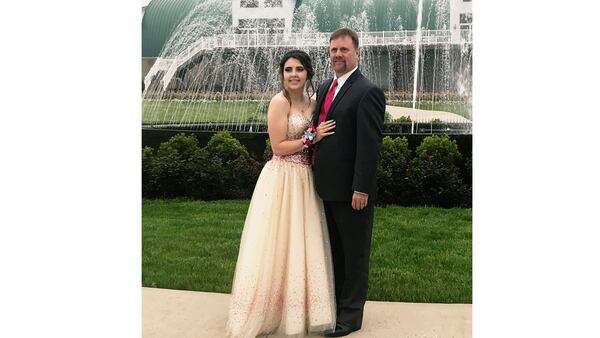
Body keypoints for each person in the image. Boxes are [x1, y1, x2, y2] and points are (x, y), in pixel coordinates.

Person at [226, 50, 337, 338]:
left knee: (302, 240)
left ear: (308, 73)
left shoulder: (313, 104)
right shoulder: (279, 103)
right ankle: (267, 310)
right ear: (282, 74)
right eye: (288, 69)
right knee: (277, 241)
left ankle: (299, 310)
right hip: (282, 178)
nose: (294, 75)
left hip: (304, 178)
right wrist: (313, 137)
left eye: (299, 69)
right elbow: (278, 146)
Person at [310, 28, 386, 337]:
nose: (337, 55)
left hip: (351, 191)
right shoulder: (327, 85)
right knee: (336, 253)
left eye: (343, 49)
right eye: (333, 50)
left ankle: (351, 317)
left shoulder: (367, 91)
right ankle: (337, 308)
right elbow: (314, 128)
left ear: (356, 52)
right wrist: (310, 137)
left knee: (354, 254)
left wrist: (361, 187)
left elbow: (370, 145)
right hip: (324, 188)